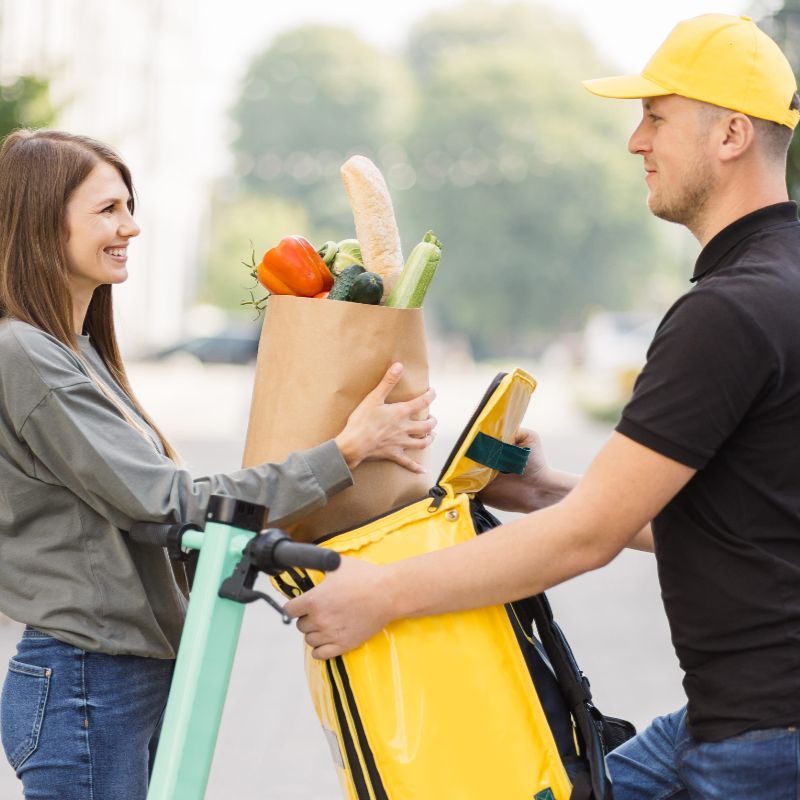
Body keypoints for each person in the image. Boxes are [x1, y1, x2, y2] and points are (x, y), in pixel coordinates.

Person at [285, 13, 800, 798]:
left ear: (730, 135)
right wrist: (548, 492)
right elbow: (753, 527)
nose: (636, 142)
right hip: (737, 718)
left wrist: (379, 595)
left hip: (762, 739)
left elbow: (586, 540)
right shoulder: (780, 283)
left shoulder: (727, 313)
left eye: (655, 117)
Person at [0, 128, 436, 800]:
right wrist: (345, 451)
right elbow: (163, 501)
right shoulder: (26, 354)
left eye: (130, 206)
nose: (132, 227)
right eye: (108, 210)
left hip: (120, 674)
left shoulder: (77, 351)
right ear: (38, 222)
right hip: (87, 682)